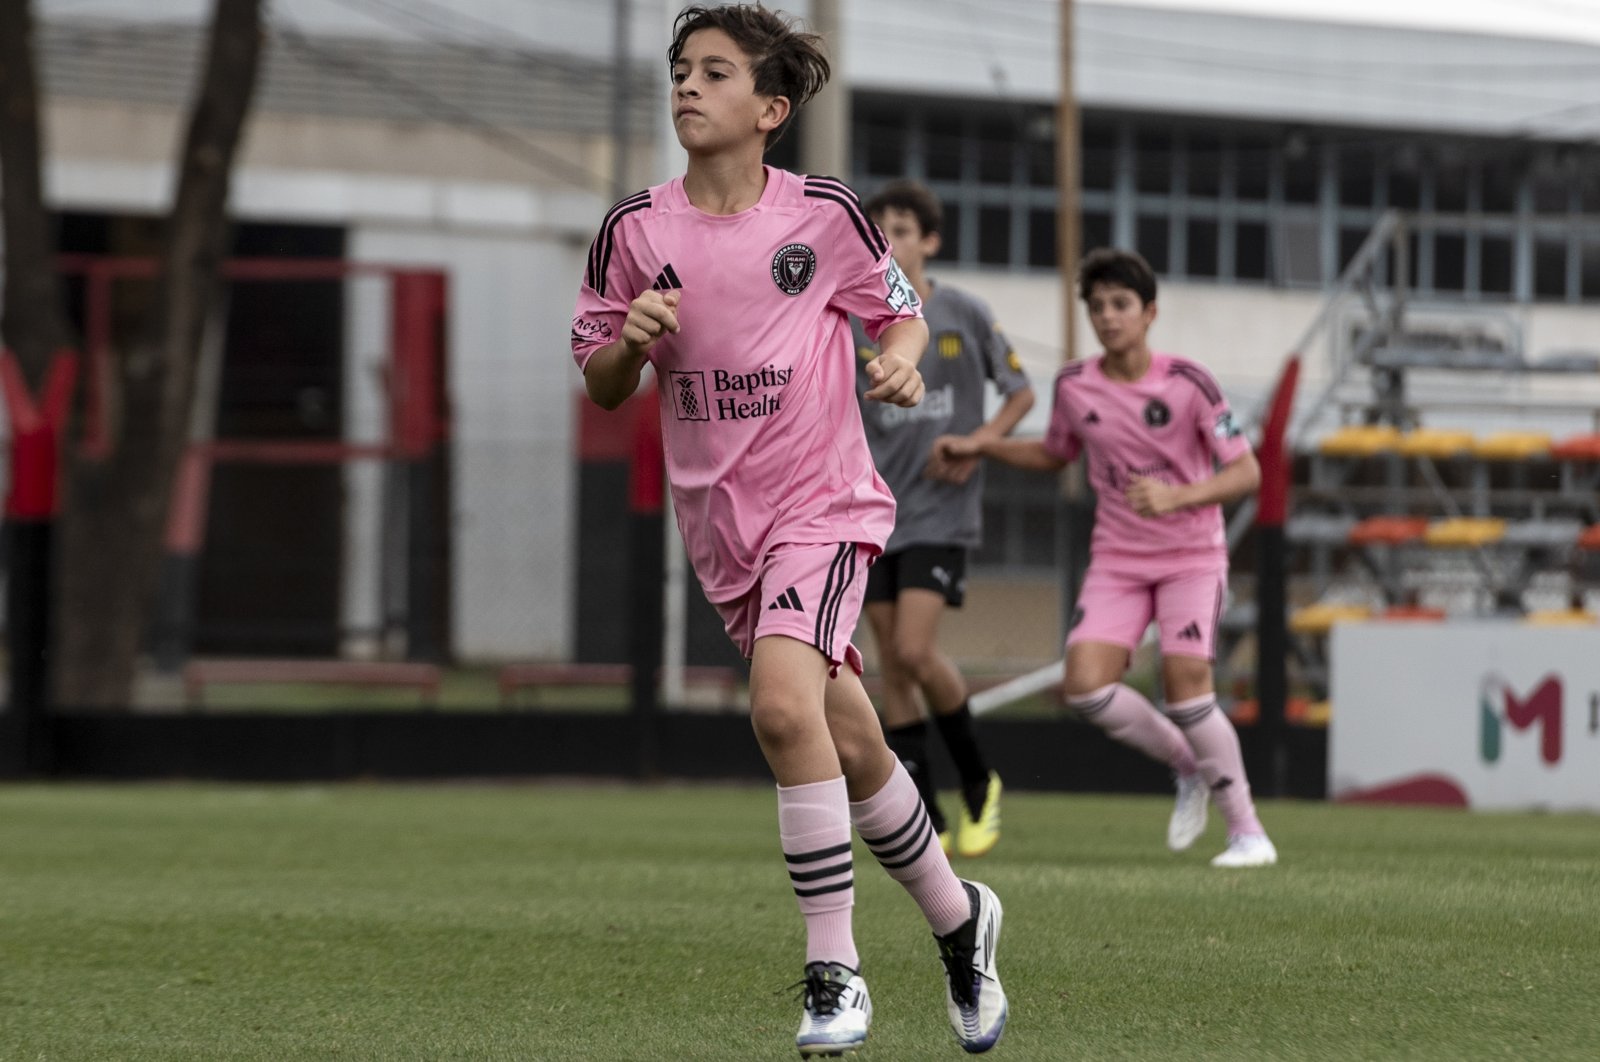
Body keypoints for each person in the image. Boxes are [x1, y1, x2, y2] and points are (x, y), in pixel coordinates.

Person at [569, 5, 1008, 1056]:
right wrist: (628, 344)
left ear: (768, 109)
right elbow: (599, 383)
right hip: (721, 527)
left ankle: (833, 970)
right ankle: (962, 920)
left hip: (823, 506)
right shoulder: (634, 229)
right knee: (848, 737)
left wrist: (901, 354)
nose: (686, 87)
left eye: (713, 73)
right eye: (680, 71)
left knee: (778, 708)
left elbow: (896, 308)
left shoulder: (822, 214)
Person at [938, 247, 1278, 869]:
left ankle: (1248, 833)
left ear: (1149, 313)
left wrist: (1179, 494)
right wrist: (985, 446)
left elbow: (1247, 471)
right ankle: (1188, 764)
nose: (1108, 317)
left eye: (1120, 304)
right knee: (1085, 687)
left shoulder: (1190, 382)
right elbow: (1055, 453)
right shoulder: (1074, 385)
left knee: (1186, 691)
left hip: (1190, 558)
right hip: (1118, 559)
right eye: (1096, 307)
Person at [852, 180, 1034, 860]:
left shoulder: (962, 312)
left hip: (941, 511)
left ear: (928, 241)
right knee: (893, 669)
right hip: (875, 512)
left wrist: (979, 443)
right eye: (879, 231)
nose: (889, 242)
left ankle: (980, 780)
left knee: (911, 652)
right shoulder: (854, 323)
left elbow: (1020, 393)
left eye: (901, 230)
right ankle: (923, 810)